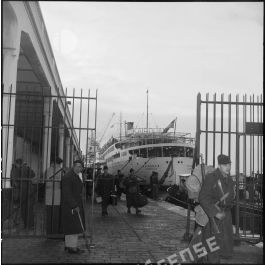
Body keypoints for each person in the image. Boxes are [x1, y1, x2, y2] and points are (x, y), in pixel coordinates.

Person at [199, 154, 235, 263]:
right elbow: (203, 198)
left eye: (229, 164)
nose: (228, 167)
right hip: (215, 215)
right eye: (225, 165)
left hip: (226, 214)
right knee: (212, 244)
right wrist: (215, 213)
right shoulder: (211, 177)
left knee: (224, 243)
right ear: (219, 165)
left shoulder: (230, 179)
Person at [61, 160, 85, 254]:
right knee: (74, 226)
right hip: (71, 205)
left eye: (81, 167)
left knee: (72, 226)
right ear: (73, 166)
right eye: (77, 166)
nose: (79, 168)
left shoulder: (75, 175)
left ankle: (69, 245)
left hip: (73, 204)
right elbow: (67, 193)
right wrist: (74, 205)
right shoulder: (68, 176)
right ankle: (72, 247)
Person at [44, 157, 64, 235]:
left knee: (49, 216)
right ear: (58, 163)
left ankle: (49, 232)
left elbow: (47, 182)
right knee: (56, 216)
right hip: (57, 196)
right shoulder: (61, 171)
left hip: (49, 197)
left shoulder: (48, 170)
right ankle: (55, 232)